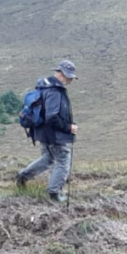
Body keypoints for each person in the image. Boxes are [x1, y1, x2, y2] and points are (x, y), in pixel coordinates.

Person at [16, 59, 78, 203]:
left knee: (48, 158)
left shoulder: (43, 87)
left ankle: (23, 176)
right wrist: (69, 127)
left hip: (41, 132)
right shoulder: (55, 91)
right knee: (63, 160)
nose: (71, 80)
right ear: (61, 74)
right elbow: (52, 117)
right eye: (69, 76)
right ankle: (54, 193)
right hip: (53, 135)